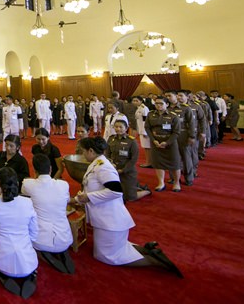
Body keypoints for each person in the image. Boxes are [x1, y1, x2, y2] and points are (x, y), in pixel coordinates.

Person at [74, 137, 183, 277]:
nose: (82, 154)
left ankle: (154, 261)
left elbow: (115, 191)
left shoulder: (103, 167)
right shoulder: (96, 162)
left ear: (91, 150)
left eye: (83, 151)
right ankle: (148, 251)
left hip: (111, 220)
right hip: (105, 219)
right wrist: (78, 199)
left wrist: (88, 197)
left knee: (108, 256)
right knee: (111, 250)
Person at [0, 167, 39, 299]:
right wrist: (24, 242)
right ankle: (30, 274)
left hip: (1, 259)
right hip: (28, 260)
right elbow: (34, 232)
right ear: (17, 184)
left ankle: (2, 273)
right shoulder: (27, 202)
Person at [22, 154, 75, 274]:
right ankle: (61, 255)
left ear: (35, 170)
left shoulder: (27, 184)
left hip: (39, 238)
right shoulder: (63, 185)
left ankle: (49, 256)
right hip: (65, 237)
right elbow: (67, 200)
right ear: (50, 169)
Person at [107, 120, 151, 202]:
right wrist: (110, 166)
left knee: (130, 198)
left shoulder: (131, 141)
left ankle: (145, 190)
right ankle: (134, 186)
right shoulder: (111, 139)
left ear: (126, 128)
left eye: (120, 127)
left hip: (127, 171)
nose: (118, 129)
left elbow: (133, 159)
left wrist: (123, 170)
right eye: (116, 127)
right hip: (114, 171)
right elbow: (107, 154)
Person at [145, 96, 181, 192]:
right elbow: (147, 128)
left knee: (174, 163)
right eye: (156, 103)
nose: (158, 105)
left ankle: (176, 183)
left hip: (170, 143)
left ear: (167, 104)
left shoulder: (173, 116)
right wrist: (153, 140)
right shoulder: (151, 114)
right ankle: (161, 182)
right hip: (156, 142)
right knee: (158, 163)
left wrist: (167, 142)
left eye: (161, 103)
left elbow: (176, 132)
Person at [132, 96, 152, 168]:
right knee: (145, 147)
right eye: (133, 100)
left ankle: (149, 162)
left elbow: (145, 121)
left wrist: (145, 132)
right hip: (140, 130)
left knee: (147, 147)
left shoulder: (144, 108)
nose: (134, 102)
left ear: (141, 101)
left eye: (136, 101)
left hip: (144, 131)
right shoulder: (138, 108)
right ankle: (149, 161)